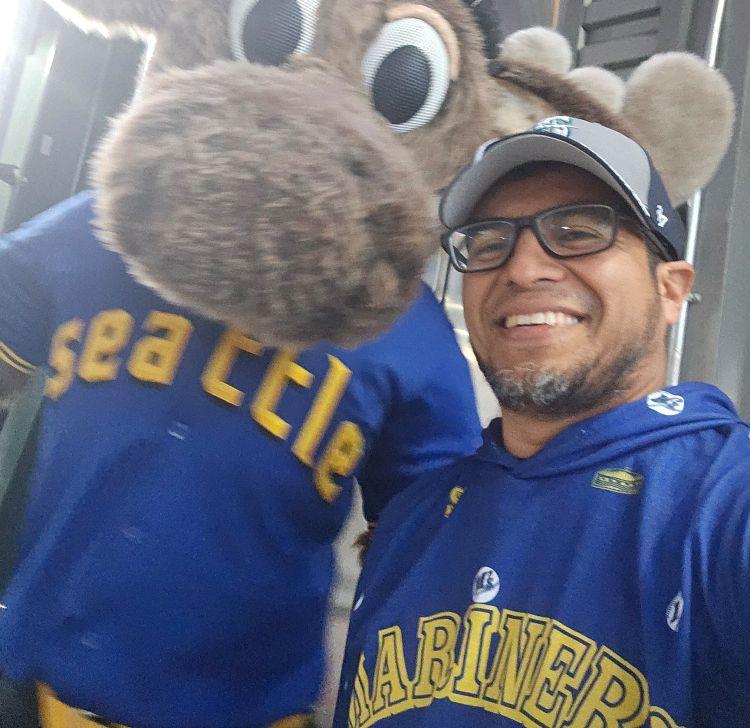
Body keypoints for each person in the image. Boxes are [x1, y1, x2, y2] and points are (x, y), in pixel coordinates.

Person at [0, 190, 481, 728]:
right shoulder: (109, 218)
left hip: (249, 708)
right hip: (31, 692)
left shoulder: (404, 318)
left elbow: (446, 543)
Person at [334, 115, 750, 728]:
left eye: (578, 232)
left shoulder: (723, 507)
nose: (523, 269)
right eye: (488, 243)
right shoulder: (410, 523)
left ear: (670, 291)